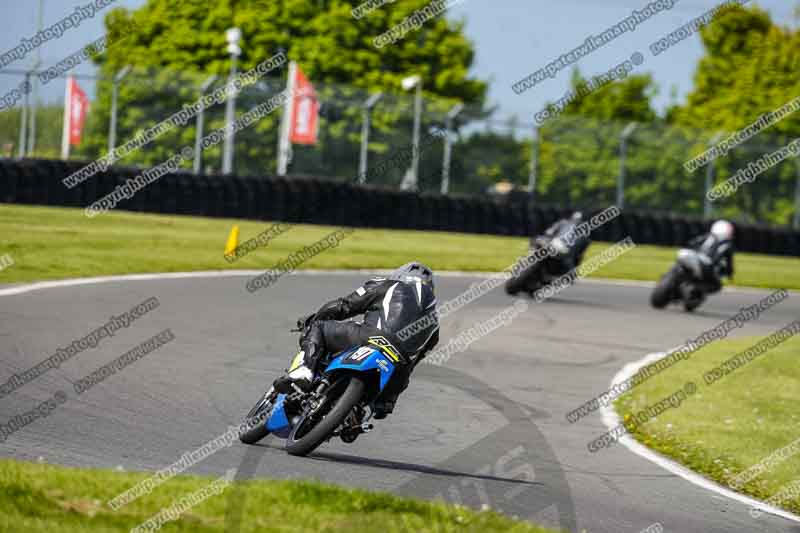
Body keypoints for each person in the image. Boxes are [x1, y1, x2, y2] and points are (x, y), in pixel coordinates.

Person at [273, 262, 439, 419]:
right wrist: (388, 400)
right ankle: (358, 415)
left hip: (369, 337)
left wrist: (315, 318)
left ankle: (305, 371)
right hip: (397, 366)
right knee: (394, 383)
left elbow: (343, 306)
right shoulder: (435, 323)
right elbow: (413, 363)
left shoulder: (387, 284)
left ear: (399, 275)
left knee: (319, 327)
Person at [686, 219, 735, 293]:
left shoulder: (707, 237)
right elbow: (729, 264)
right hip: (706, 266)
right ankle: (697, 292)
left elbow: (691, 243)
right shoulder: (727, 245)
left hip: (696, 259)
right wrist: (729, 274)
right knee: (717, 286)